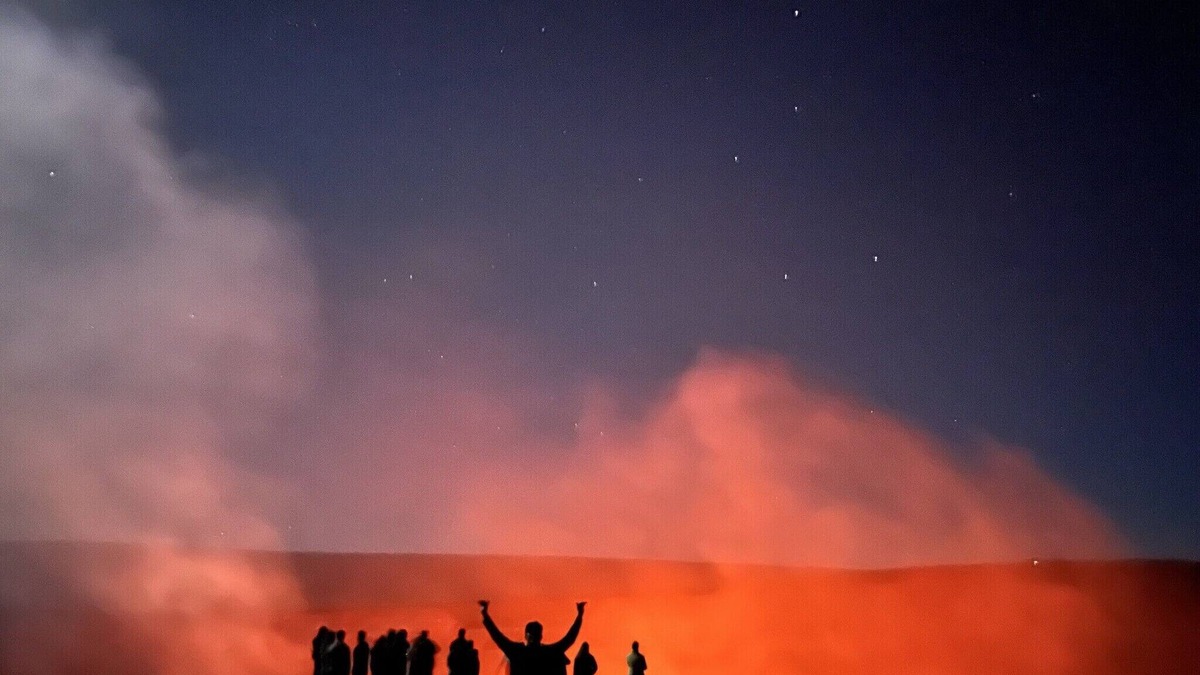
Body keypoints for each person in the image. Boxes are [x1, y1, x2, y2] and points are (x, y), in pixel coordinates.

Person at [479, 599, 585, 675]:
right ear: (541, 636)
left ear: (525, 636)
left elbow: (497, 637)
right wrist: (579, 616)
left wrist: (485, 614)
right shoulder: (550, 652)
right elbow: (570, 639)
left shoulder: (517, 652)